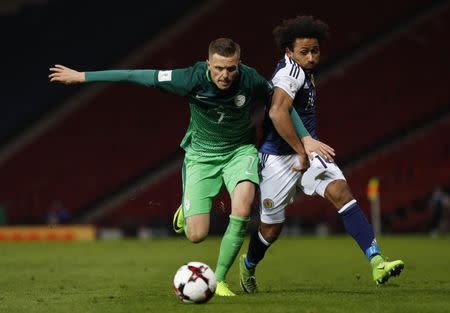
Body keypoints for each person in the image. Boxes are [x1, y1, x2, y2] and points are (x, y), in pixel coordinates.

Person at [49, 38, 333, 296]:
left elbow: (282, 104)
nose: (225, 75)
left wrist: (305, 139)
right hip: (201, 155)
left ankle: (219, 280)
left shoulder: (250, 79)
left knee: (244, 207)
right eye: (219, 68)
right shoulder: (189, 79)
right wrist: (82, 77)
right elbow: (136, 75)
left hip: (240, 152)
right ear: (208, 64)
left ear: (239, 64)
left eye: (231, 68)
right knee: (196, 235)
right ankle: (186, 210)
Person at [238, 16, 405, 293]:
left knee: (341, 192)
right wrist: (302, 147)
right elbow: (277, 112)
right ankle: (249, 264)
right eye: (304, 52)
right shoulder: (289, 72)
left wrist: (307, 149)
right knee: (270, 229)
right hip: (279, 159)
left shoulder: (303, 71)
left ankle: (377, 260)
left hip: (307, 151)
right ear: (288, 52)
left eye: (315, 50)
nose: (312, 57)